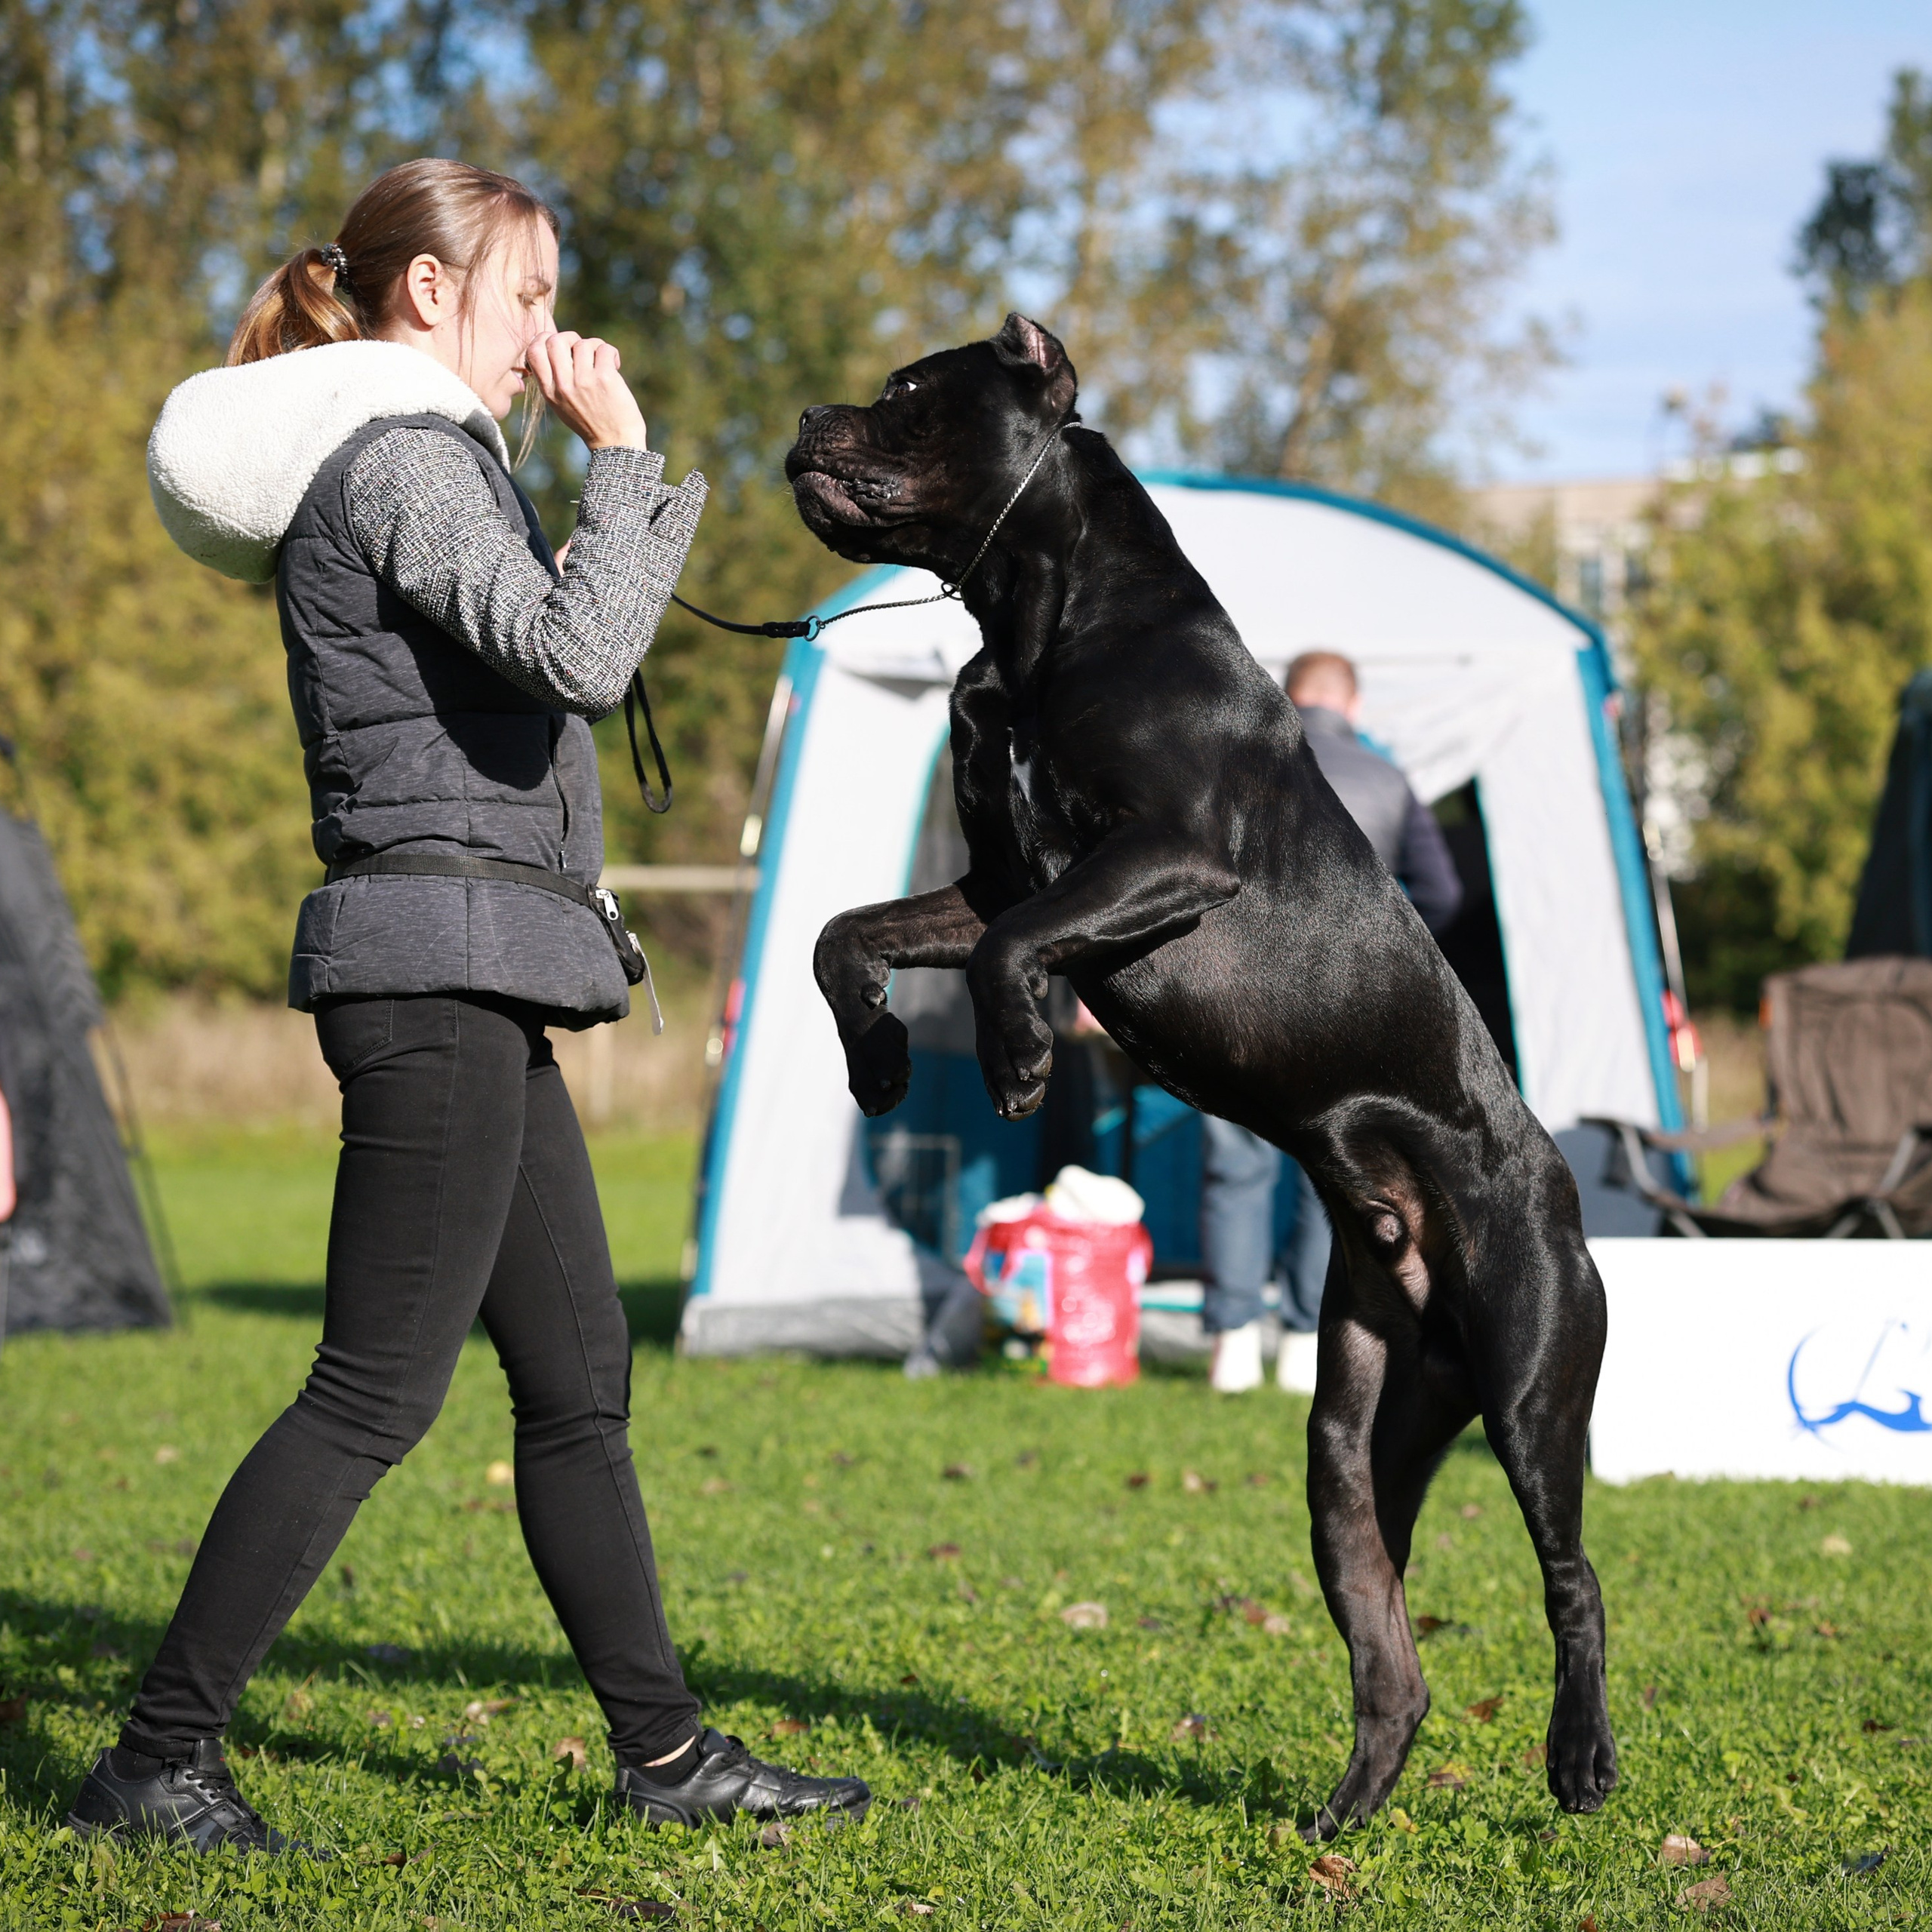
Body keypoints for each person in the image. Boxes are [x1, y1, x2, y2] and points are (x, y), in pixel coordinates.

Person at [64, 159, 869, 1854]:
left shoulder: (434, 471)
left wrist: (590, 522)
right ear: (430, 293)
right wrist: (625, 457)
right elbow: (583, 661)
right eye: (526, 296)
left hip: (485, 970)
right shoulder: (413, 460)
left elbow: (556, 653)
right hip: (433, 973)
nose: (545, 335)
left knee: (579, 1378)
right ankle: (153, 1760)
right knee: (373, 1388)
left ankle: (664, 1758)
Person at [1203, 649, 1463, 1394]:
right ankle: (1300, 1340)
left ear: (1287, 700)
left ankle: (1230, 1342)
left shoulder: (1235, 766)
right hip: (1343, 1004)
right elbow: (1440, 894)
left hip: (1238, 999)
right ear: (1352, 706)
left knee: (1238, 1167)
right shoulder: (1388, 779)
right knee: (1331, 1170)